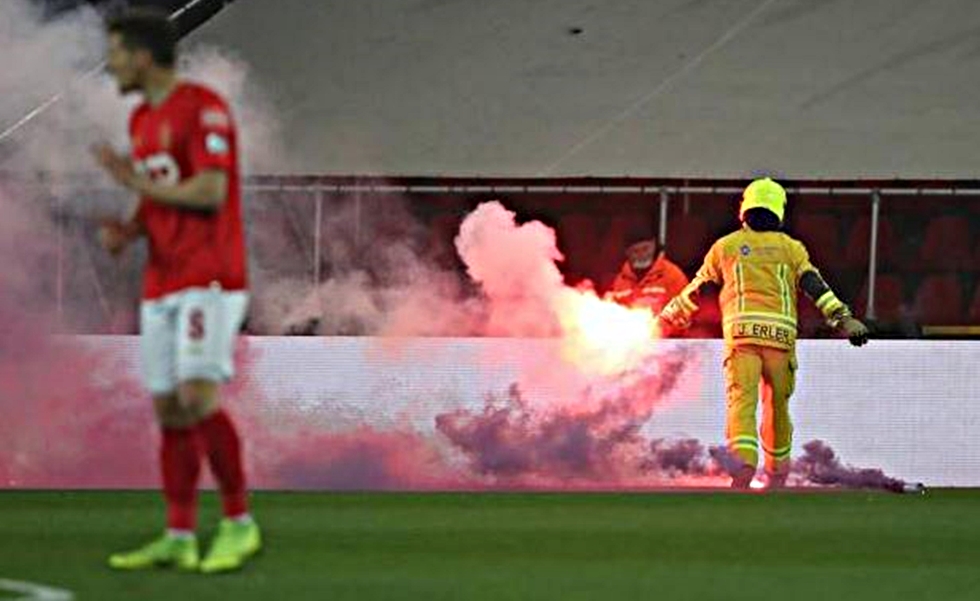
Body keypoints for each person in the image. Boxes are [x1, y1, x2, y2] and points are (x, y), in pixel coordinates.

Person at [93, 9, 260, 573]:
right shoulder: (142, 119)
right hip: (161, 277)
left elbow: (211, 191)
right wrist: (130, 230)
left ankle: (239, 523)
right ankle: (180, 534)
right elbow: (159, 195)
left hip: (209, 274)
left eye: (117, 52)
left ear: (143, 56)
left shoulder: (202, 108)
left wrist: (131, 180)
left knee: (196, 397)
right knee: (169, 408)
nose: (112, 63)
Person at [658, 178, 869, 489]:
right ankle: (778, 470)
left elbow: (697, 290)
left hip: (741, 339)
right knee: (777, 407)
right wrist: (844, 319)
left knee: (742, 403)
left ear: (744, 209)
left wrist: (665, 319)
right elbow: (815, 286)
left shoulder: (726, 246)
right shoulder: (791, 248)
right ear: (778, 210)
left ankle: (743, 464)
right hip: (779, 342)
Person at [605, 235, 689, 316]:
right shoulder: (619, 282)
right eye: (635, 251)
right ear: (627, 252)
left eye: (645, 249)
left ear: (654, 246)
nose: (641, 255)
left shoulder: (673, 276)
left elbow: (687, 310)